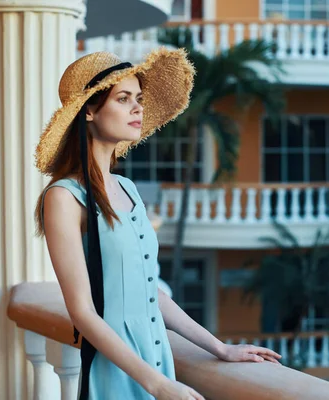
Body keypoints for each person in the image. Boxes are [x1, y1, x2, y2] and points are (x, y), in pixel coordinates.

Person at [33, 48, 281, 400]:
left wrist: (219, 348)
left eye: (138, 98)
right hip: (118, 370)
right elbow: (83, 313)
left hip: (158, 358)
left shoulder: (128, 189)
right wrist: (158, 385)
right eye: (123, 99)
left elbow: (151, 294)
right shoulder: (63, 197)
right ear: (89, 110)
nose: (137, 108)